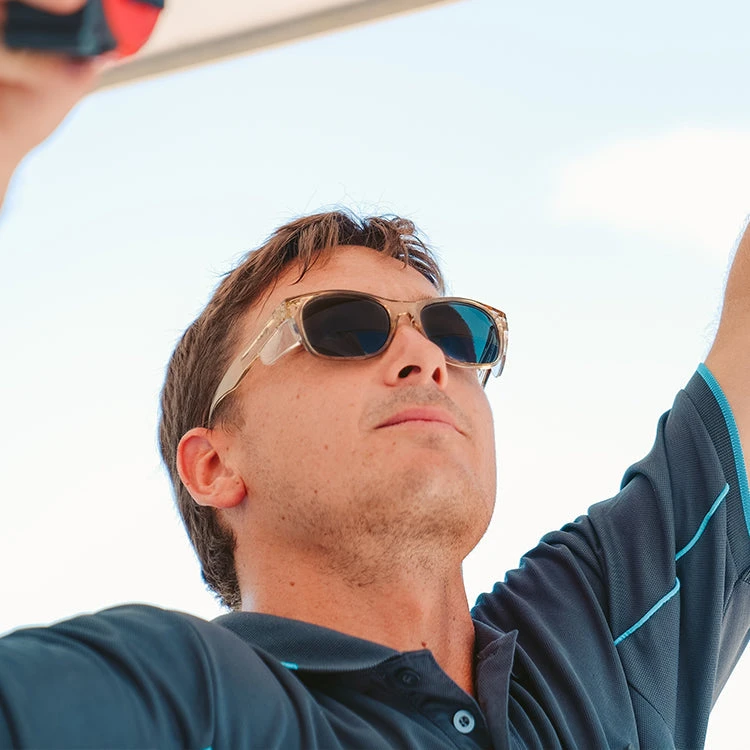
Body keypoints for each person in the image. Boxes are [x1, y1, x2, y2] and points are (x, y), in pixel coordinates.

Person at [2, 3, 749, 748]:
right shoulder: (178, 696)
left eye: (456, 332)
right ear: (214, 465)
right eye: (343, 328)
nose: (427, 356)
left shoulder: (587, 647)